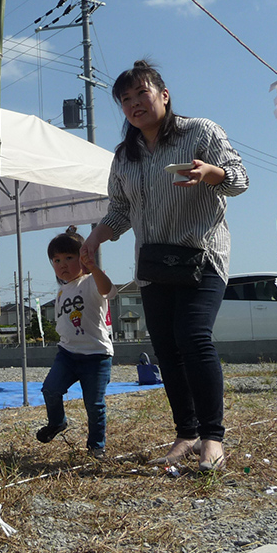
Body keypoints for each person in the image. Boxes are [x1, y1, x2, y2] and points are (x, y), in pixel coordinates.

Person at [83, 60, 248, 472]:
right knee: (168, 350)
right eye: (125, 99)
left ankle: (213, 436)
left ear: (163, 94)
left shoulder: (201, 133)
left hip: (202, 256)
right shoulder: (125, 155)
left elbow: (240, 179)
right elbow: (120, 210)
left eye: (142, 93)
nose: (134, 104)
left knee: (193, 337)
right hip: (154, 265)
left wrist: (213, 173)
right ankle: (187, 433)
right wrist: (95, 237)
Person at [36, 227, 114, 457]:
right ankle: (57, 422)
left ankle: (96, 446)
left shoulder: (90, 282)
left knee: (94, 404)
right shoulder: (61, 292)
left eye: (69, 258)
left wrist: (94, 268)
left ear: (82, 258)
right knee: (50, 389)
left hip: (96, 355)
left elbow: (108, 291)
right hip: (68, 354)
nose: (62, 264)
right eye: (56, 260)